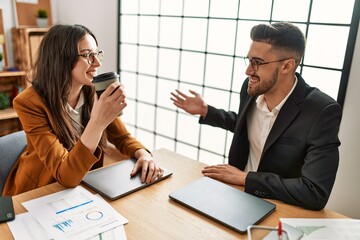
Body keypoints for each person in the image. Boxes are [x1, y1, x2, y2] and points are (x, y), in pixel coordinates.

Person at [171, 22, 342, 210]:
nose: (248, 71)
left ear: (287, 65)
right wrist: (206, 111)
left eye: (257, 63)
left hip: (278, 207)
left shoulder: (321, 111)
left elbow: (314, 192)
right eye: (249, 60)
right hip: (235, 194)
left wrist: (245, 178)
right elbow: (249, 126)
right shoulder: (251, 88)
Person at [3, 24, 163, 196]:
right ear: (61, 59)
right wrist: (97, 122)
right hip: (39, 191)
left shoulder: (94, 91)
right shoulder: (29, 103)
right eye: (88, 55)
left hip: (81, 186)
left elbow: (122, 138)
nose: (98, 62)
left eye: (97, 53)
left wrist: (144, 155)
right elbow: (66, 176)